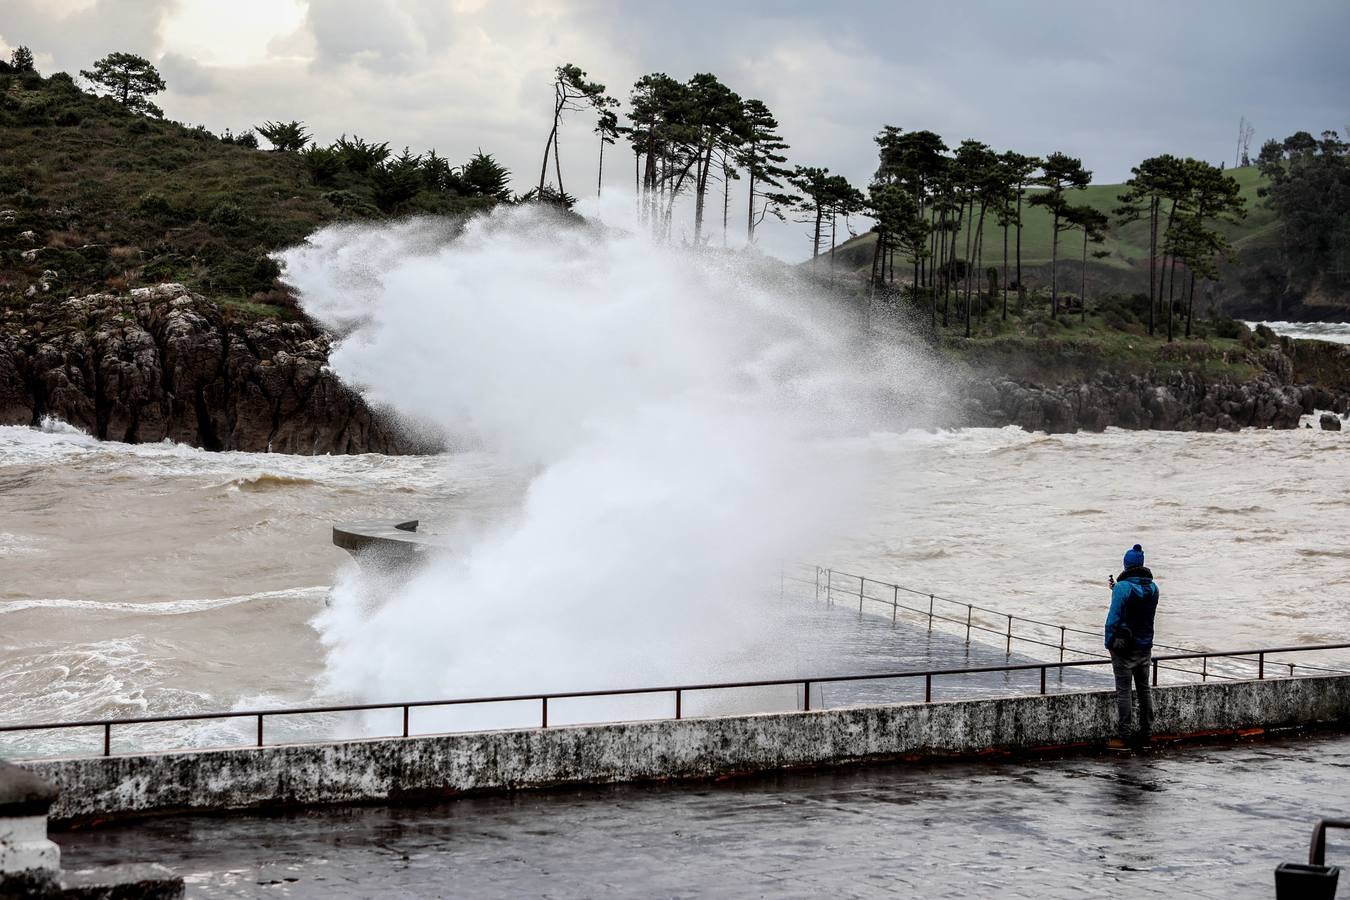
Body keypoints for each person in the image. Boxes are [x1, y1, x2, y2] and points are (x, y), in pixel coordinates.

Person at [1104, 543, 1159, 747]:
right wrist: (1116, 589)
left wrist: (1109, 642)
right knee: (1144, 689)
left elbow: (1114, 619)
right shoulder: (1153, 588)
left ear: (1126, 565)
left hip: (1124, 647)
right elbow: (1139, 608)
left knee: (1124, 690)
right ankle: (1147, 734)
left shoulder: (1123, 588)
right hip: (1145, 645)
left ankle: (1124, 737)